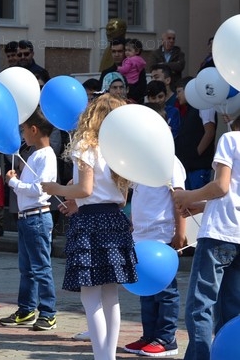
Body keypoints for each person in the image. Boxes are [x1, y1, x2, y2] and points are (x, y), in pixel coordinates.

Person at [41, 94, 138, 360]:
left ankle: (101, 356)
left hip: (91, 223)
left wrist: (56, 188)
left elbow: (85, 188)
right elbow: (120, 198)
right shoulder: (120, 150)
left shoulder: (86, 145)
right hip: (113, 221)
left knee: (90, 295)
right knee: (110, 294)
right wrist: (80, 202)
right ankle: (108, 355)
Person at [172, 117, 240, 360]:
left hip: (220, 233)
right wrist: (203, 205)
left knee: (200, 306)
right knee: (232, 308)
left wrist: (190, 196)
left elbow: (221, 187)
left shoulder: (231, 139)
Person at [123, 105, 186, 358]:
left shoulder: (170, 162)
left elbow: (178, 199)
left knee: (166, 291)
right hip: (141, 237)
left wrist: (179, 233)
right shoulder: (139, 165)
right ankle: (149, 335)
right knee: (146, 289)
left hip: (162, 236)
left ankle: (167, 338)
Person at [0, 108, 58, 331]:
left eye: (24, 130)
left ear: (34, 130)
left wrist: (13, 183)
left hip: (38, 217)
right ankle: (26, 310)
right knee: (27, 268)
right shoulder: (34, 154)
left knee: (41, 267)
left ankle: (48, 312)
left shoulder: (46, 155)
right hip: (27, 218)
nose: (22, 134)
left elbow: (38, 189)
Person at [175, 77, 216, 190]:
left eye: (179, 91)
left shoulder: (204, 105)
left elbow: (209, 132)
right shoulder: (189, 109)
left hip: (198, 166)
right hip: (188, 165)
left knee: (197, 201)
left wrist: (196, 153)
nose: (177, 96)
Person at [117, 38, 147, 103]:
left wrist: (119, 68)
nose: (126, 52)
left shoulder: (129, 60)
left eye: (129, 50)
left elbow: (125, 69)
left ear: (137, 51)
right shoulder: (140, 61)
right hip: (135, 82)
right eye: (126, 50)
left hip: (128, 81)